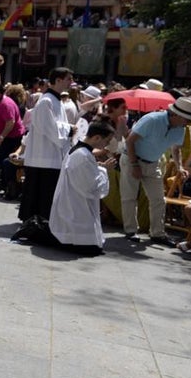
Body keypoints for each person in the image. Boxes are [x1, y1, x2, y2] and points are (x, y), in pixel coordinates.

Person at [120, 96, 191, 244]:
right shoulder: (152, 120)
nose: (188, 123)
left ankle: (157, 233)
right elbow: (130, 141)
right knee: (129, 197)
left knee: (158, 200)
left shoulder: (180, 127)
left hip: (153, 162)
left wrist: (180, 166)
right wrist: (135, 165)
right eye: (187, 119)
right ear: (176, 115)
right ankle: (130, 231)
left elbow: (176, 149)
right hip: (132, 159)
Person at [50, 118, 117, 256]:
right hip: (76, 206)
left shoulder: (80, 151)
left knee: (93, 248)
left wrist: (101, 167)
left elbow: (85, 174)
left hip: (72, 200)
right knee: (89, 248)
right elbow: (90, 186)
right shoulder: (83, 155)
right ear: (97, 137)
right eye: (107, 141)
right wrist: (106, 171)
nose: (107, 145)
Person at [18, 67, 75, 222]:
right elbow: (49, 129)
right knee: (40, 191)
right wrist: (70, 128)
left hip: (50, 156)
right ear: (57, 80)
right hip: (43, 157)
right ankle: (34, 221)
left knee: (45, 192)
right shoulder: (46, 101)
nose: (71, 82)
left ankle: (42, 220)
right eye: (68, 79)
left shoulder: (57, 100)